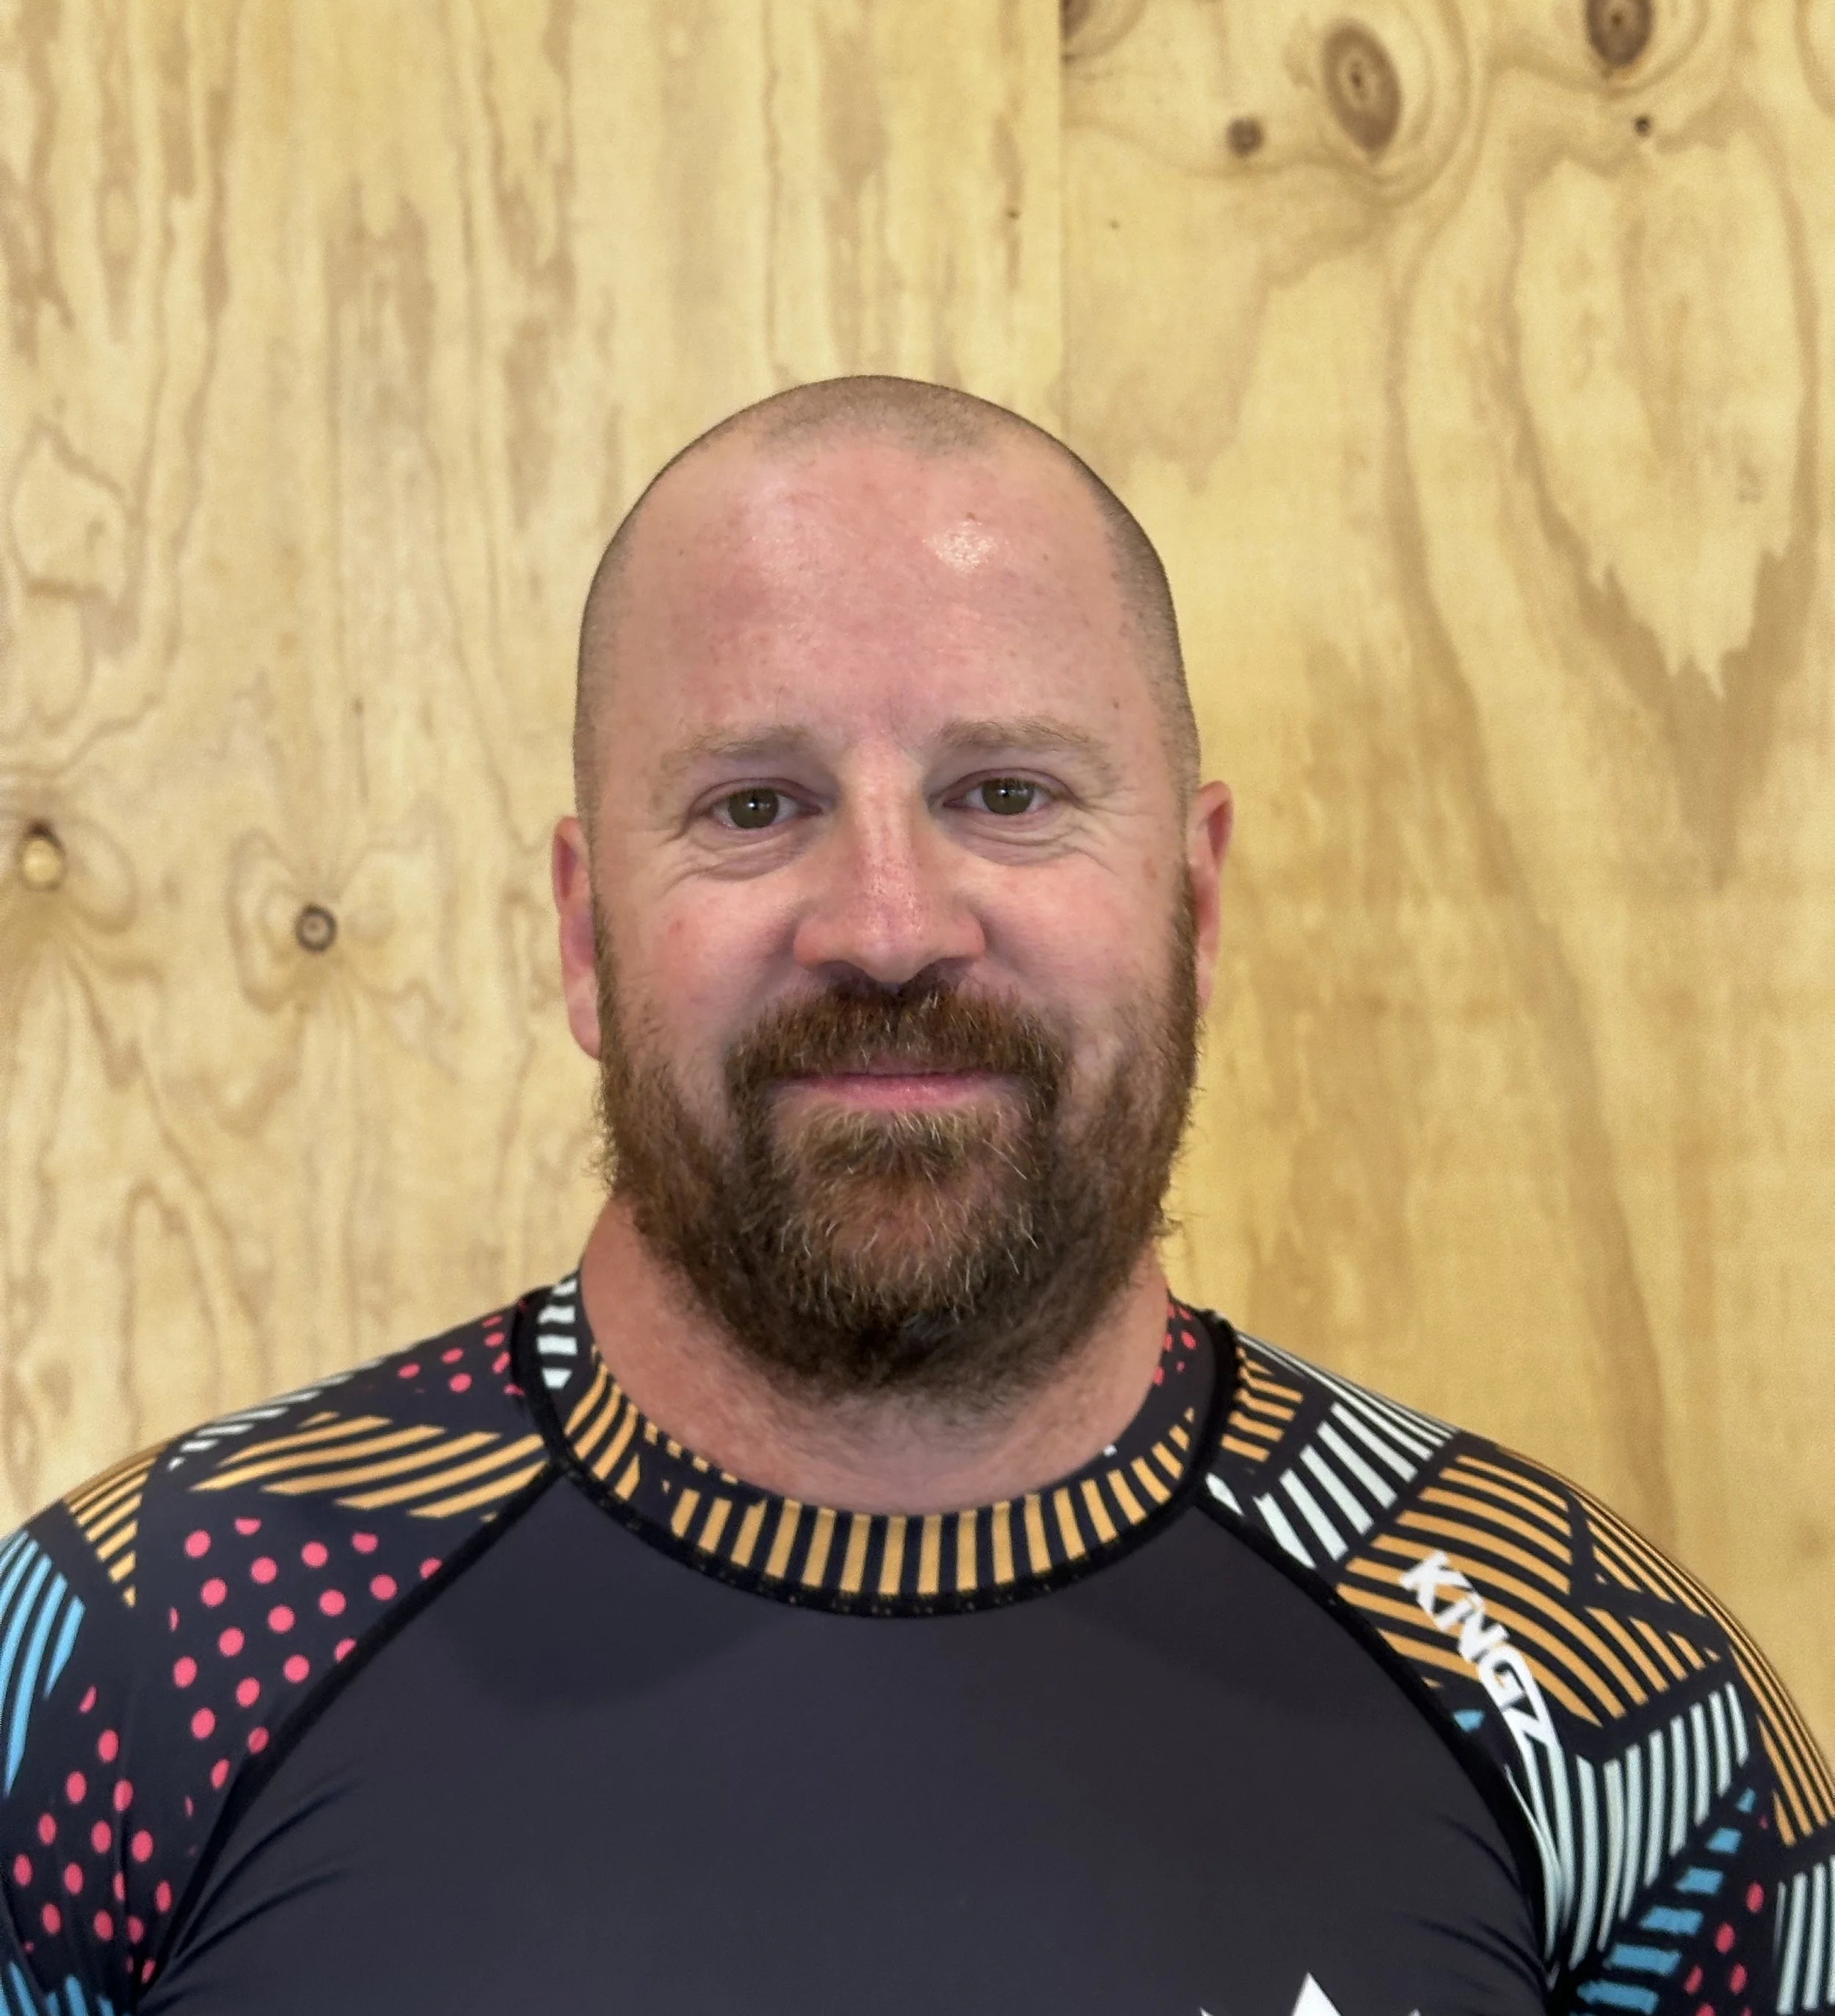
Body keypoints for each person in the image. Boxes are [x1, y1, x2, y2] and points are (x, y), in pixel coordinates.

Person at [0, 375, 1827, 2016]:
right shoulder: (133, 1663)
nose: (885, 925)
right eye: (752, 806)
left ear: (1194, 904)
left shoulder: (1608, 1719)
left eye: (1005, 792)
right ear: (582, 931)